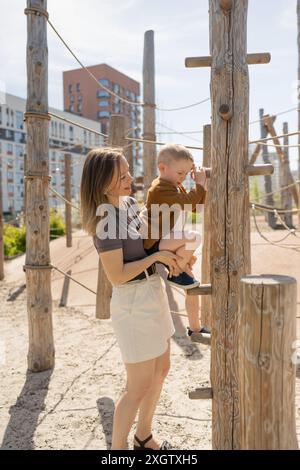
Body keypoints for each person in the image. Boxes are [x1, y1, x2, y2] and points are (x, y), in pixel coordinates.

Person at [80, 147, 180, 450]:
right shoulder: (104, 221)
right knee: (138, 386)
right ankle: (118, 450)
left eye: (127, 171)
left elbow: (149, 243)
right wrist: (158, 257)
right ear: (102, 182)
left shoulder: (131, 203)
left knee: (161, 371)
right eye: (121, 175)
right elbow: (118, 275)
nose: (129, 178)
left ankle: (144, 436)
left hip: (152, 293)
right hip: (132, 302)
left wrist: (174, 253)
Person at [141, 143, 210, 340]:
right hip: (157, 243)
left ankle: (195, 328)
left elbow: (196, 207)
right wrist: (200, 185)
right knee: (195, 237)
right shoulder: (159, 188)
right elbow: (189, 203)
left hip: (171, 242)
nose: (183, 177)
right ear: (163, 168)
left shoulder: (174, 185)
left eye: (187, 174)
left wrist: (201, 186)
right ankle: (176, 270)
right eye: (180, 173)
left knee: (192, 286)